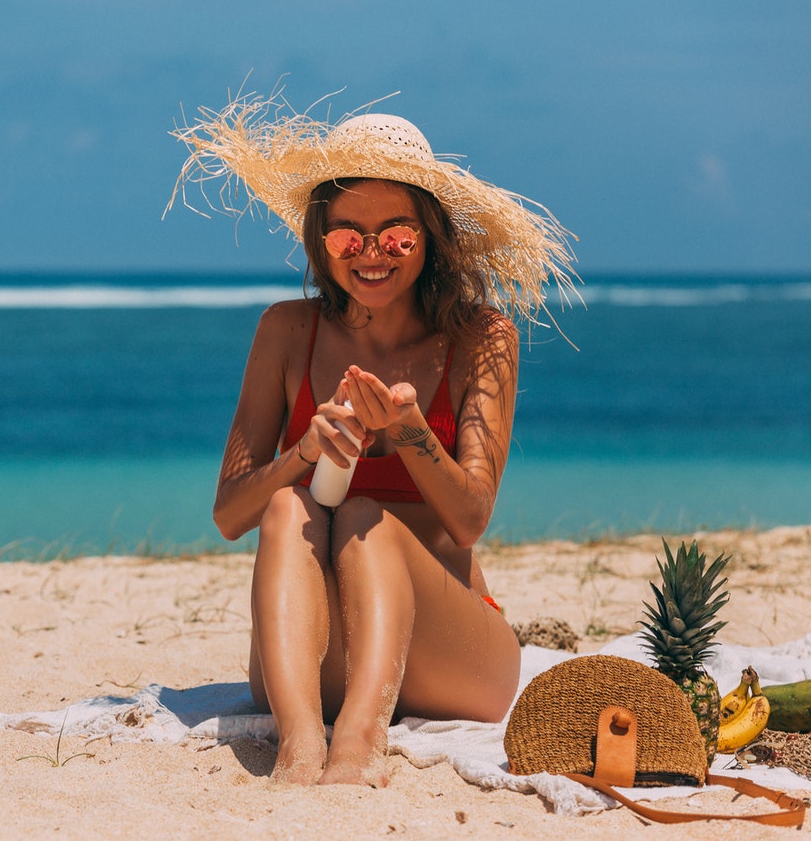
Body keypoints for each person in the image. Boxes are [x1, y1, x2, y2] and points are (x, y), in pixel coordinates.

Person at [170, 95, 576, 787]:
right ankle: (299, 744)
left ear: (430, 237)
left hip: (454, 656)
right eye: (346, 236)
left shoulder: (483, 339)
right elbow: (229, 514)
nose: (370, 254)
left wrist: (411, 430)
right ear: (319, 239)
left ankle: (358, 742)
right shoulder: (286, 332)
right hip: (308, 663)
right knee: (285, 507)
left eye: (395, 235)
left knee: (364, 515)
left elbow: (470, 516)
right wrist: (302, 454)